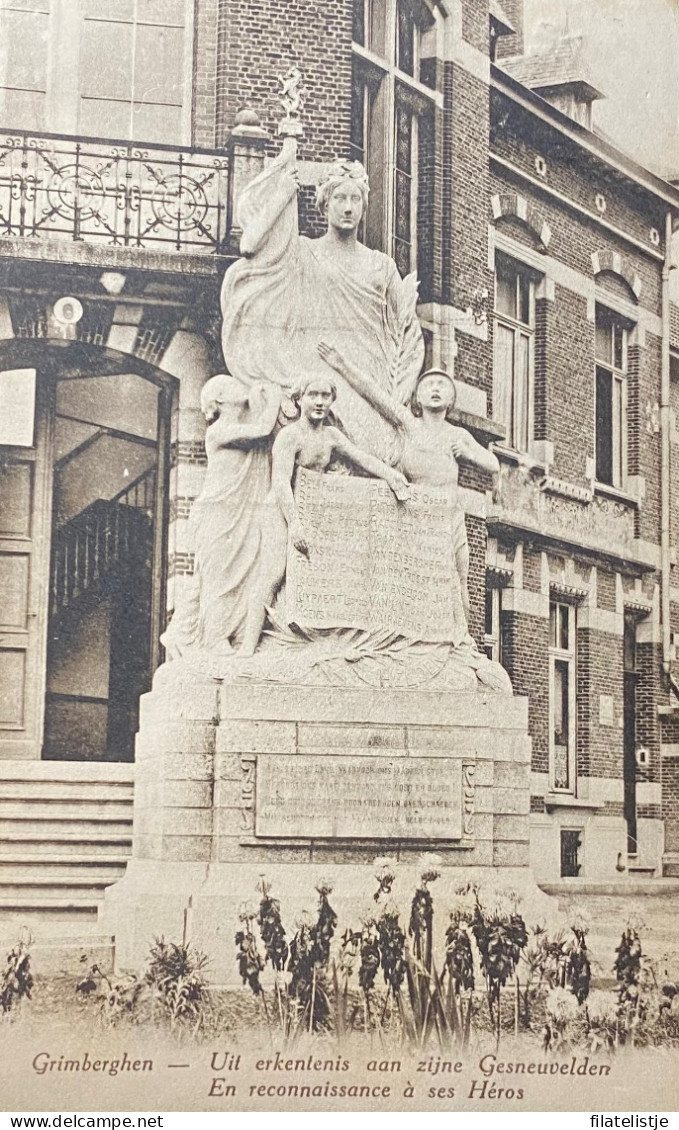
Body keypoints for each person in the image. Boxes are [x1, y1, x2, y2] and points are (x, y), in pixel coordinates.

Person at [220, 149, 424, 464]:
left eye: (355, 200)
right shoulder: (302, 252)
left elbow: (408, 332)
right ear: (324, 204)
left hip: (371, 383)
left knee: (377, 457)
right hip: (317, 378)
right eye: (339, 198)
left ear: (364, 206)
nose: (347, 207)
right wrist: (283, 192)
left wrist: (398, 395)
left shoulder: (381, 266)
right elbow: (249, 245)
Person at [317, 343, 499, 624]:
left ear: (451, 399)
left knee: (456, 575)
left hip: (446, 515)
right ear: (417, 396)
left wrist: (471, 456)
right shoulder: (409, 425)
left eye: (442, 385)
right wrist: (341, 364)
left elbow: (492, 463)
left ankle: (459, 631)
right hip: (415, 514)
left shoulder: (456, 435)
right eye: (429, 385)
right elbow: (374, 394)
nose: (435, 389)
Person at [238, 373, 410, 657]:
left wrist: (391, 476)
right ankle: (247, 647)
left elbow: (361, 458)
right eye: (313, 395)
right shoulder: (290, 436)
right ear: (300, 399)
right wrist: (294, 524)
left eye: (325, 396)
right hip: (281, 510)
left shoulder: (330, 436)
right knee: (273, 574)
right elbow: (280, 482)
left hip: (309, 510)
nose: (319, 402)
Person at [160, 374, 280, 661]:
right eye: (232, 385)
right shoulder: (219, 431)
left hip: (236, 513)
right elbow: (263, 429)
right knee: (218, 577)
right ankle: (214, 639)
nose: (242, 388)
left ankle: (180, 634)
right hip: (218, 514)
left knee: (220, 576)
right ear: (221, 400)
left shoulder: (239, 427)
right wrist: (273, 394)